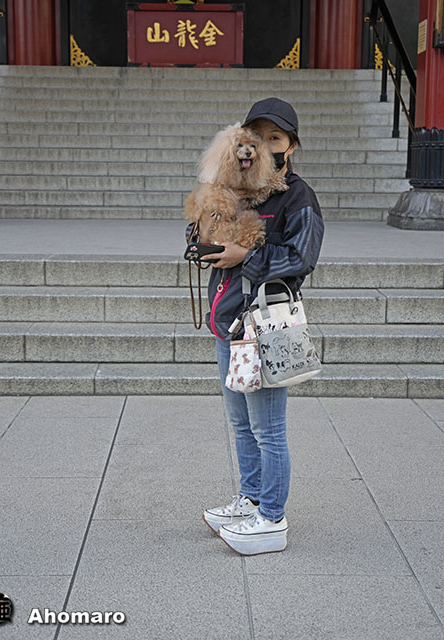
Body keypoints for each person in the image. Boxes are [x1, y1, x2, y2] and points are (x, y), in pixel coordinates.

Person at [187, 97, 325, 556]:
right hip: (228, 324)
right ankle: (250, 500)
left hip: (264, 329)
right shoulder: (232, 188)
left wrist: (246, 256)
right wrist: (203, 236)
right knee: (242, 425)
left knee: (268, 430)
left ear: (291, 146)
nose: (263, 145)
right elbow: (208, 240)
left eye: (275, 138)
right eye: (256, 137)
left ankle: (271, 518)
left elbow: (301, 258)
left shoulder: (298, 197)